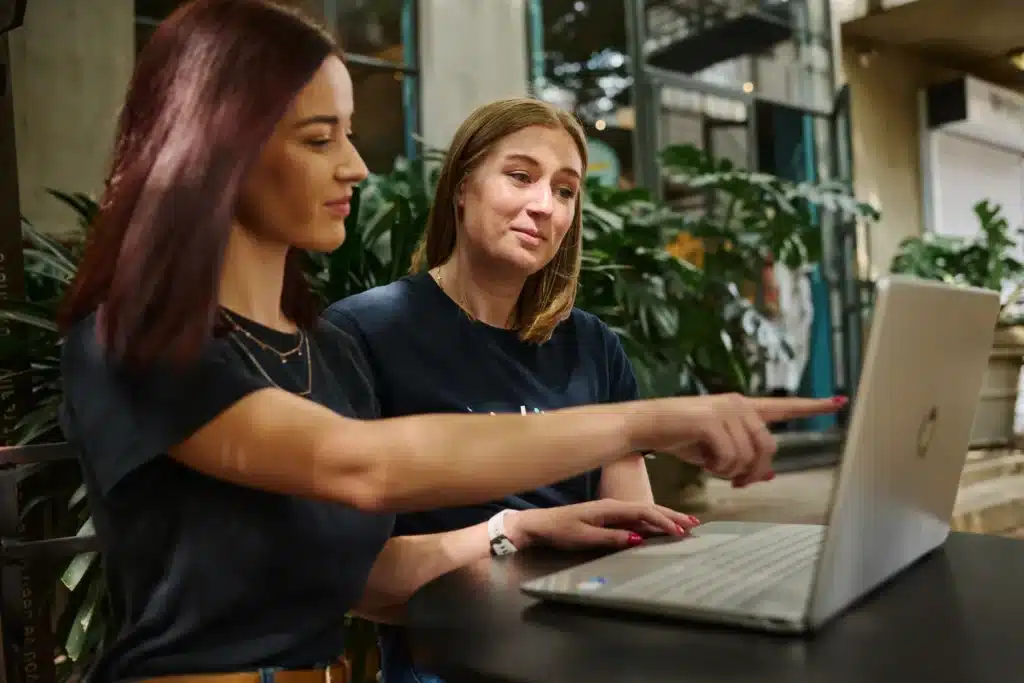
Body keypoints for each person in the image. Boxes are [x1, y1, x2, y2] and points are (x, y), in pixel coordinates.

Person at [56, 2, 844, 681]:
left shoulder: (320, 351)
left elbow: (362, 579)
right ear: (220, 146)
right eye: (320, 137)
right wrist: (647, 419)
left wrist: (511, 529)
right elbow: (363, 467)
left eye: (350, 134)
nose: (358, 165)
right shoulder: (133, 339)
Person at [322, 97, 811, 683]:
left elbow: (631, 535)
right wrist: (510, 532)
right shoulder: (362, 333)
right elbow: (352, 583)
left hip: (595, 657)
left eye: (565, 190)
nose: (544, 206)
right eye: (521, 176)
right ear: (461, 186)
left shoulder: (592, 345)